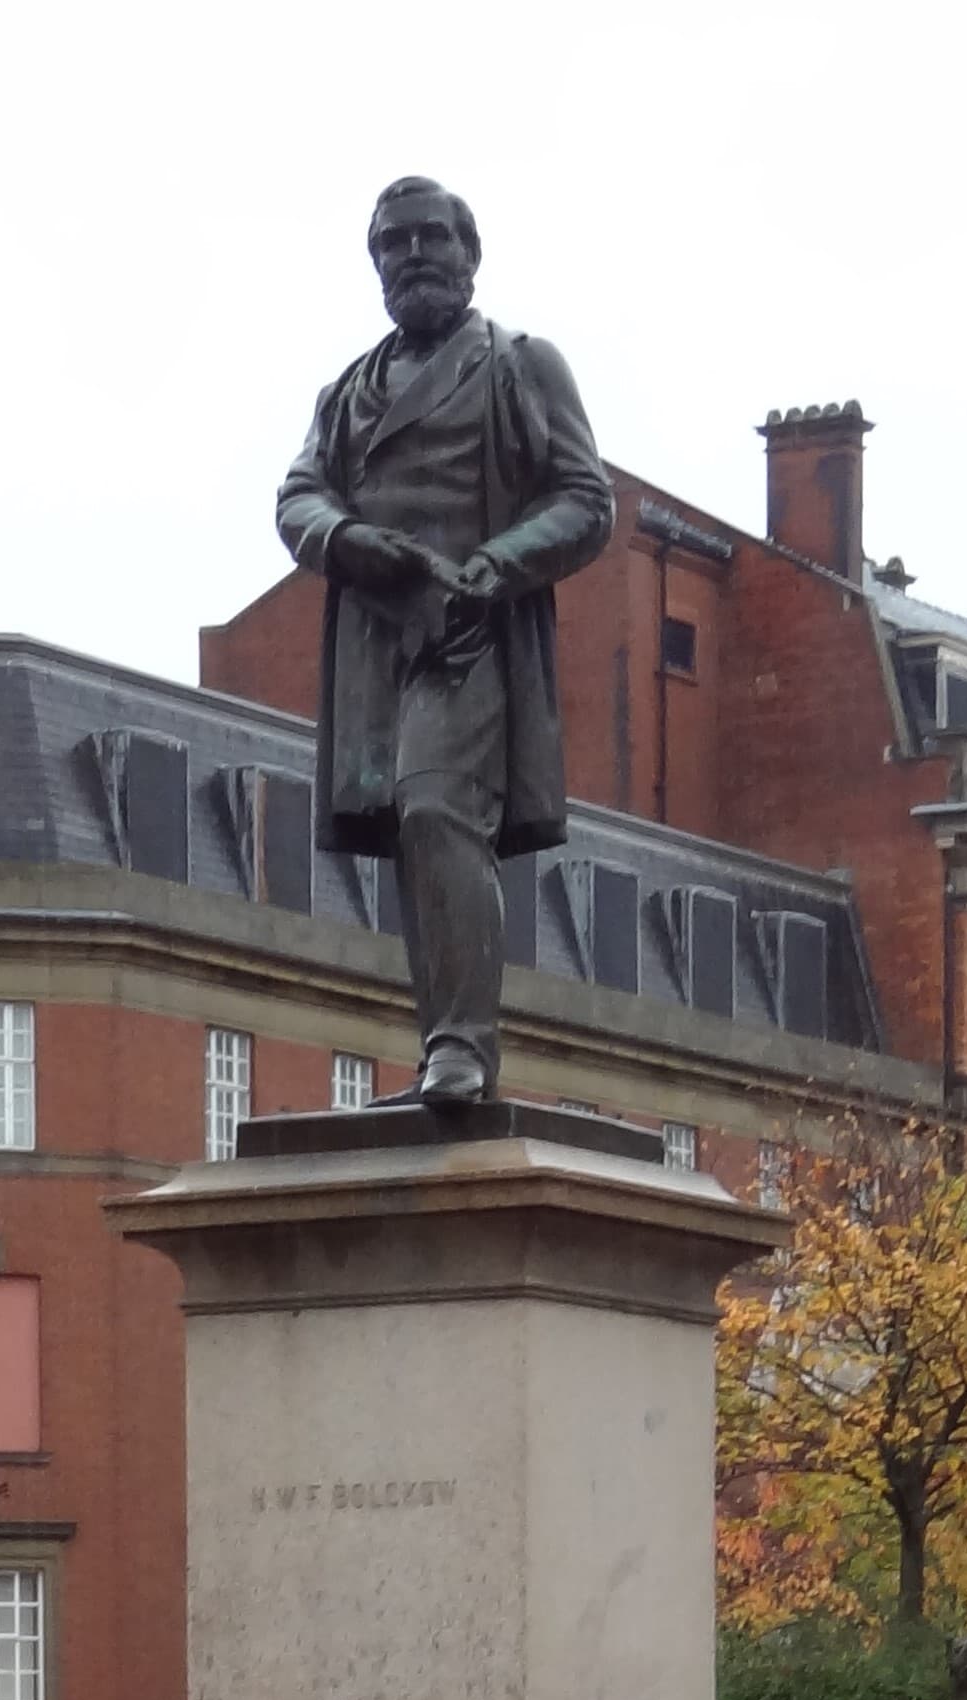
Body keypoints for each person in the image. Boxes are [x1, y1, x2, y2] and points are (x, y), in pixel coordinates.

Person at [277, 176, 613, 1102]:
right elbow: (297, 495)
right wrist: (347, 540)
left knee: (434, 811)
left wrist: (496, 564)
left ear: (470, 254)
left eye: (432, 237)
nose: (414, 254)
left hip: (471, 637)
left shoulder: (520, 364)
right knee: (412, 834)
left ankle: (460, 1043)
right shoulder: (346, 392)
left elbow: (587, 502)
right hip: (376, 646)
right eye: (394, 243)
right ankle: (441, 1044)